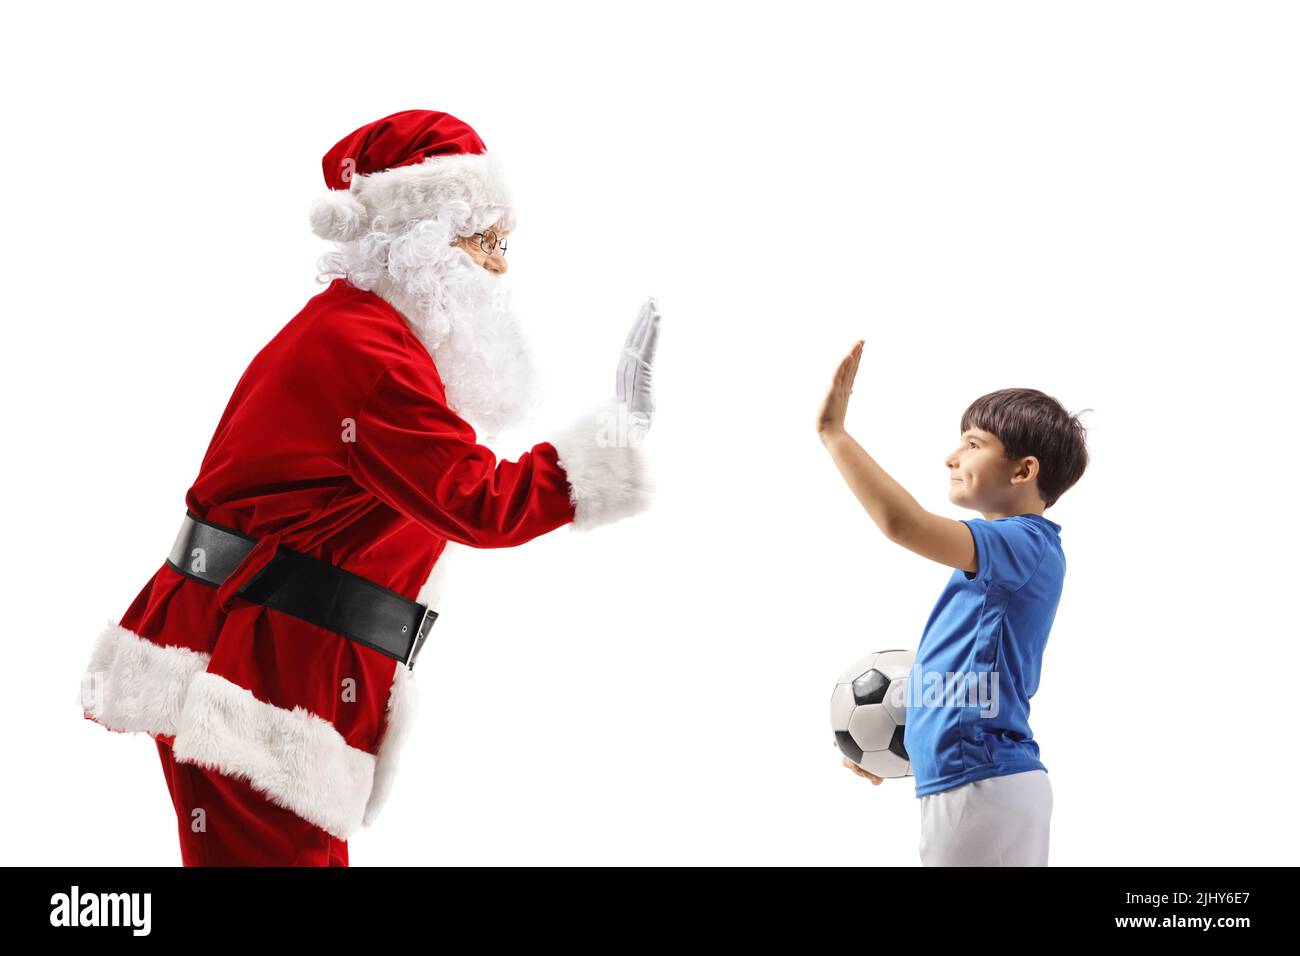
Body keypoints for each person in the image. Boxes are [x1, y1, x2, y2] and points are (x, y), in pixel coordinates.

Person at [77, 109, 661, 866]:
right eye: (484, 242)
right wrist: (616, 439)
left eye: (502, 244)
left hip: (268, 669)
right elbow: (478, 502)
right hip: (258, 680)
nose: (500, 268)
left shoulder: (354, 331)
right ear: (421, 244)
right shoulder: (369, 356)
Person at [817, 340, 1089, 866]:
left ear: (1022, 472)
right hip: (974, 784)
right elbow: (975, 682)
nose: (951, 456)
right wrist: (906, 747)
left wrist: (834, 433)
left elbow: (904, 525)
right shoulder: (1009, 558)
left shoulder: (1022, 543)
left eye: (972, 443)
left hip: (983, 786)